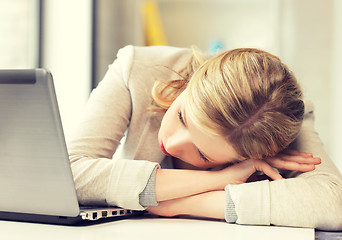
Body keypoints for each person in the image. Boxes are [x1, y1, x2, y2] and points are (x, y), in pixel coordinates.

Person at [67, 45, 342, 230]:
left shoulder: (277, 118)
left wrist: (185, 204)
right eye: (182, 117)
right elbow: (68, 173)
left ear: (254, 156)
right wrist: (217, 179)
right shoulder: (138, 67)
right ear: (195, 80)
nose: (172, 144)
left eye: (203, 155)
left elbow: (333, 203)